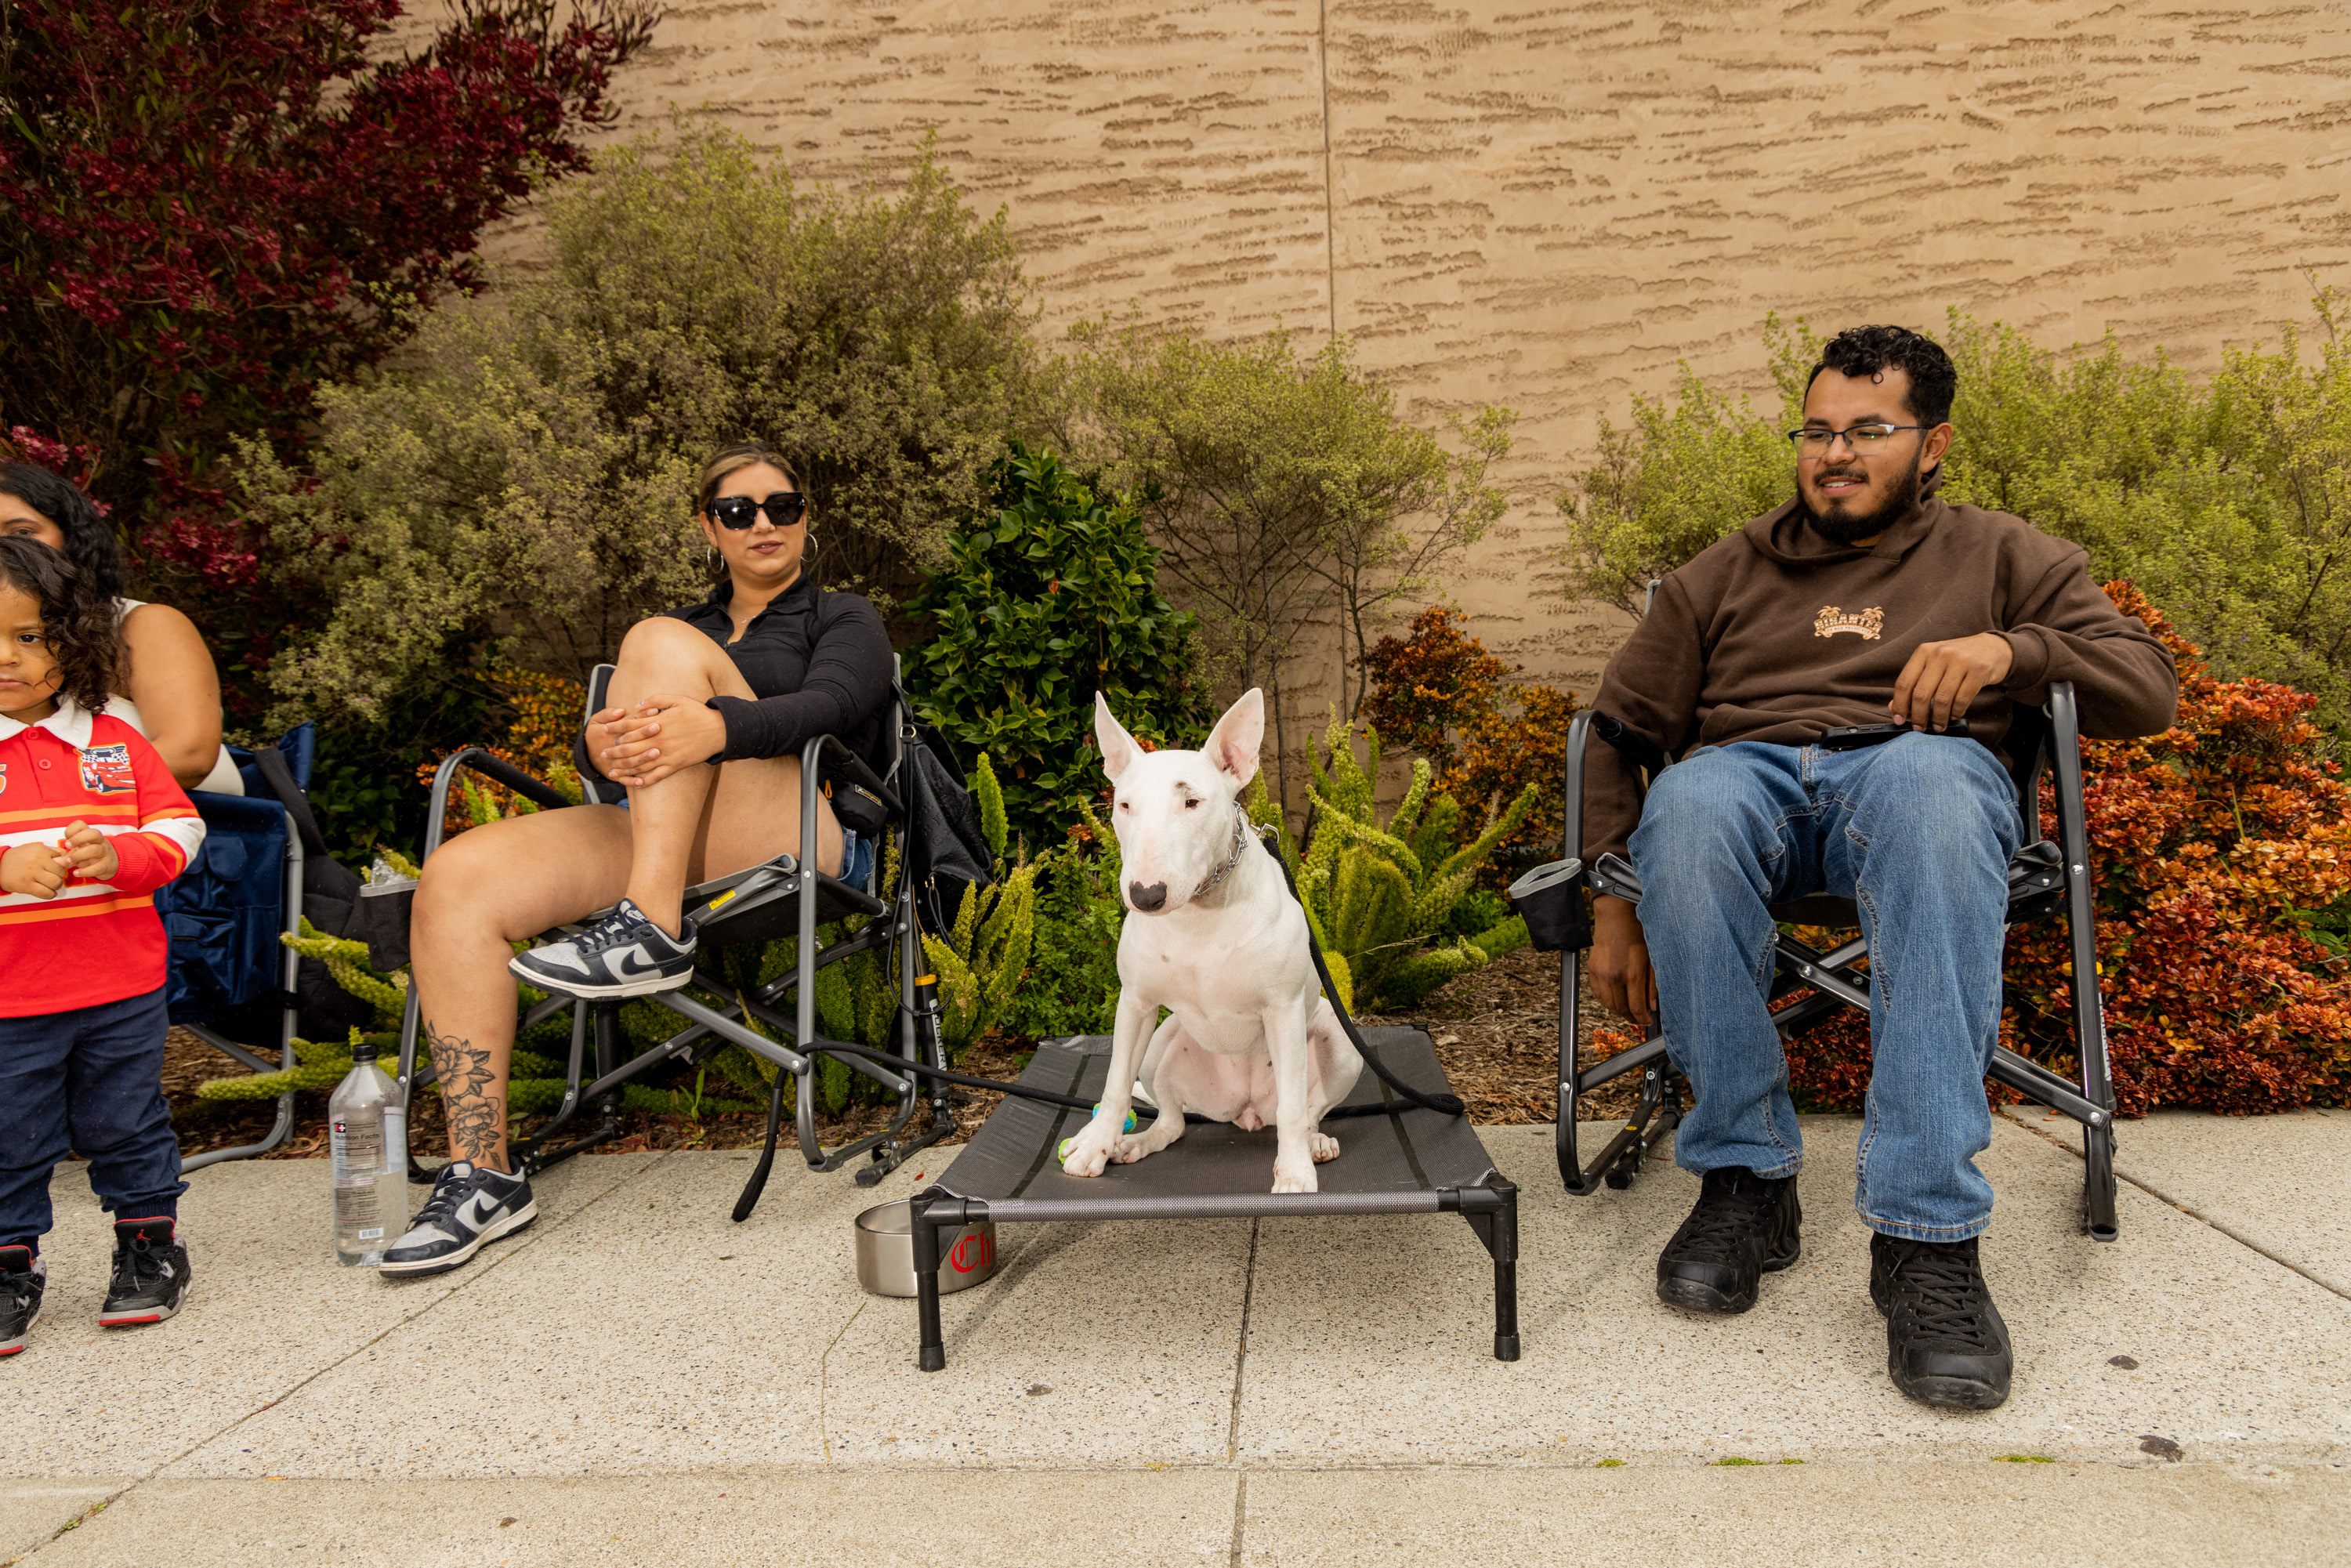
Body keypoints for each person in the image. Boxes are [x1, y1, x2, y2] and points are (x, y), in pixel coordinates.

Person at [1583, 325, 2177, 1410]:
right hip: (1748, 778)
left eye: (1869, 429)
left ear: (1933, 443)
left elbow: (2147, 688)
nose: (1836, 452)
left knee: (1932, 786)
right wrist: (1609, 907)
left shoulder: (2004, 557)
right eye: (1817, 430)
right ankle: (1748, 1179)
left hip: (1918, 785)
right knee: (1693, 799)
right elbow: (1617, 734)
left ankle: (1925, 1237)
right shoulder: (1725, 571)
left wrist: (2014, 649)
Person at [383, 441, 892, 1277]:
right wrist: (598, 745)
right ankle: (482, 1173)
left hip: (806, 827)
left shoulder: (843, 617)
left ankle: (651, 926)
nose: (763, 523)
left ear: (806, 518)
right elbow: (611, 769)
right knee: (458, 880)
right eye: (739, 511)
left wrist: (718, 727)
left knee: (653, 644)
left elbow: (832, 705)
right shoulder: (686, 632)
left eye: (783, 506)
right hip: (662, 836)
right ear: (709, 526)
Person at [0, 536, 208, 1355]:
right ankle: (10, 1261)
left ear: (73, 639)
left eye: (29, 635)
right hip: (13, 999)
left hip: (120, 985)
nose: (6, 657)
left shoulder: (115, 745)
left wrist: (125, 858)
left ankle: (149, 1247)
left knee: (126, 1121)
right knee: (11, 1132)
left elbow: (180, 826)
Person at [0, 464, 241, 796]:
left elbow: (190, 757)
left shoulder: (141, 624)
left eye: (23, 532)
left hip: (195, 829)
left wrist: (38, 788)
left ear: (70, 536)